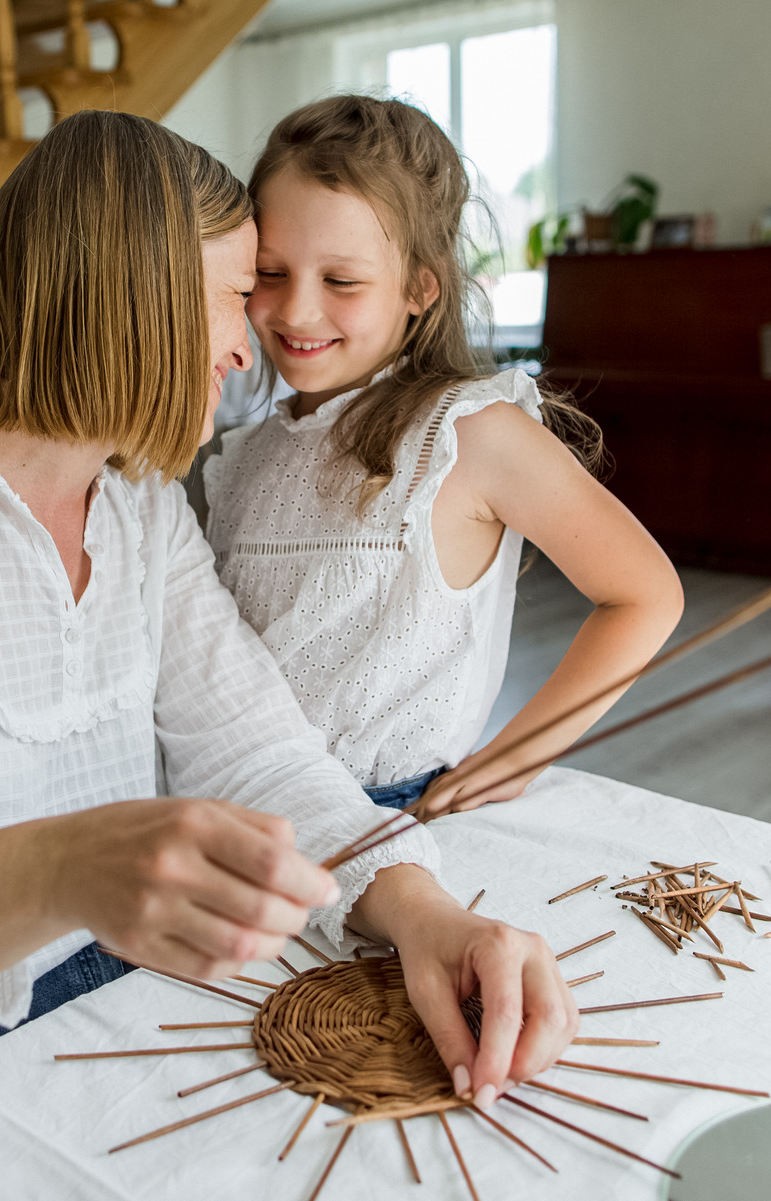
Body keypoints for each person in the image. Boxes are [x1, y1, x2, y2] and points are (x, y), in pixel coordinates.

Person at [0, 111, 577, 1158]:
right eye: (230, 296)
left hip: (103, 1017)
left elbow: (255, 751)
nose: (245, 342)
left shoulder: (137, 505)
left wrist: (427, 912)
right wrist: (55, 869)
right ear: (136, 300)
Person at [205, 95, 687, 819]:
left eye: (341, 281)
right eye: (269, 273)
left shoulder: (469, 434)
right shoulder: (243, 456)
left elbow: (646, 594)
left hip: (383, 817)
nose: (297, 310)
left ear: (420, 288)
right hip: (233, 806)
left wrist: (517, 757)